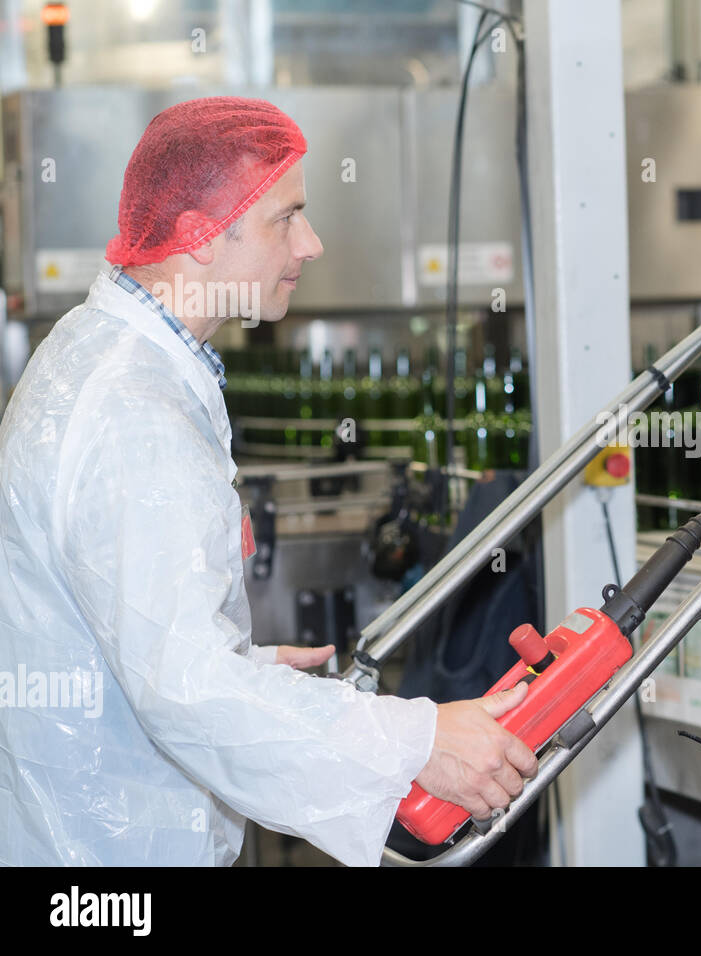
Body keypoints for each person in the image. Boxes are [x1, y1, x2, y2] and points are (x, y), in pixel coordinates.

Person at [0, 96, 536, 866]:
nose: (311, 244)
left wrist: (241, 671)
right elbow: (186, 691)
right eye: (287, 217)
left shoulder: (107, 354)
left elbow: (133, 643)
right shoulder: (133, 413)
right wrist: (416, 744)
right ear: (198, 238)